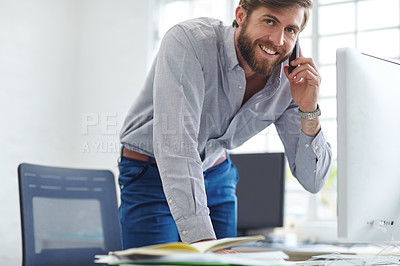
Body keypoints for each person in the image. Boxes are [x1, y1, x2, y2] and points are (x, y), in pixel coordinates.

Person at [118, 0, 332, 249]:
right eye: (270, 21)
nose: (278, 39)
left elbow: (313, 181)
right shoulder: (189, 43)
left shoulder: (291, 79)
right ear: (241, 15)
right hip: (151, 171)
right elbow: (176, 147)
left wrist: (309, 109)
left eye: (290, 30)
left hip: (216, 172)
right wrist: (204, 244)